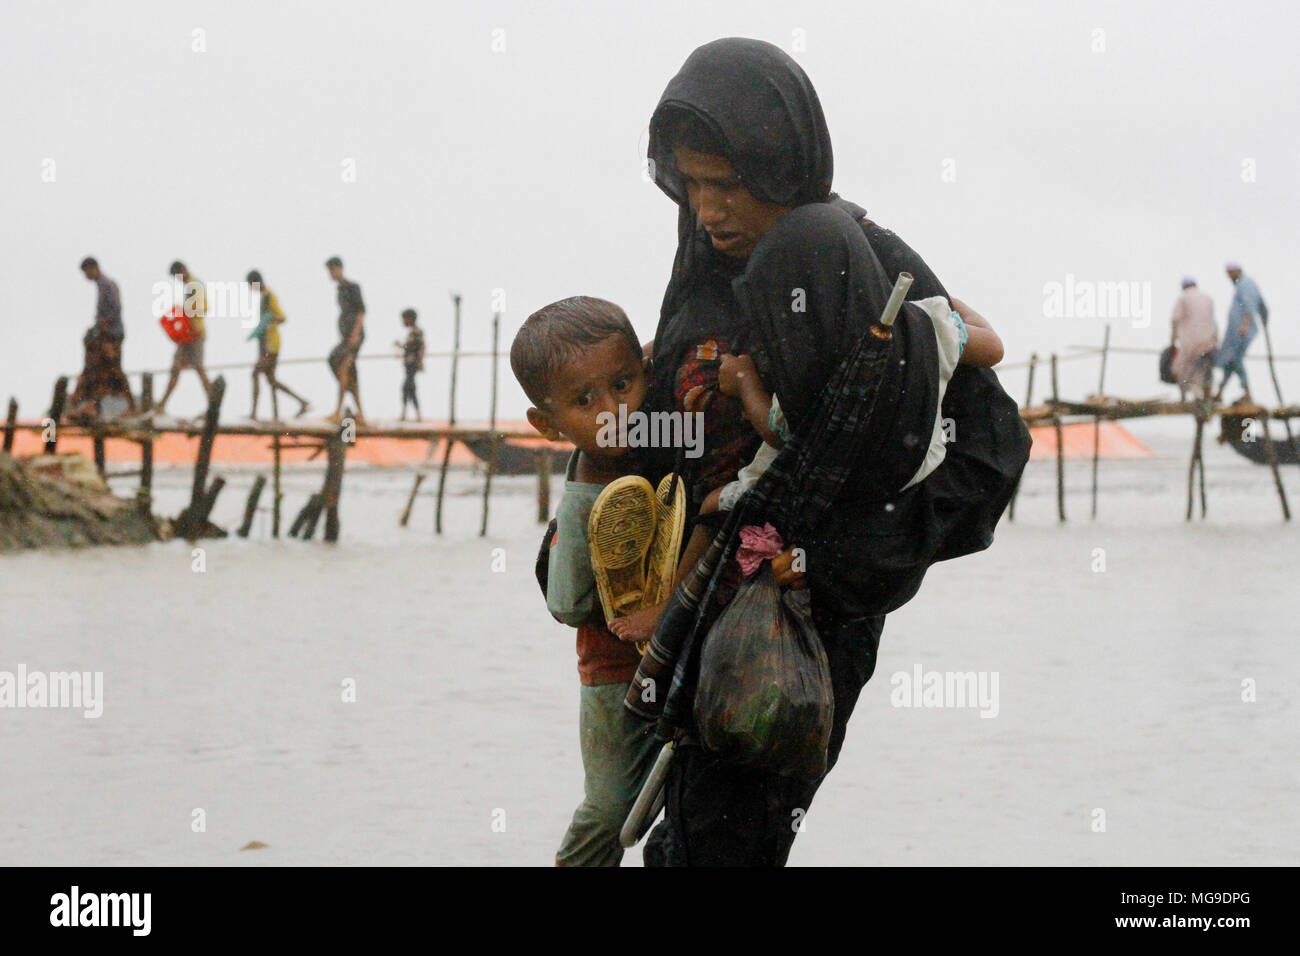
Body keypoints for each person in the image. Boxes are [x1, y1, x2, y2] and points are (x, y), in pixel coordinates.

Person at [633, 38, 1031, 866]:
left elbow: (991, 447)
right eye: (692, 184)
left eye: (729, 184)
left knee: (725, 842)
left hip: (799, 635)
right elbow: (664, 432)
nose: (709, 209)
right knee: (674, 837)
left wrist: (837, 557)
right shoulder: (700, 268)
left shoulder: (866, 261)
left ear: (784, 162)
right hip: (686, 615)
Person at [510, 296, 664, 866]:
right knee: (609, 810)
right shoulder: (584, 496)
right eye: (583, 401)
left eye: (622, 385)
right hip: (613, 673)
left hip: (676, 656)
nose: (611, 411)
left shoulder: (657, 432)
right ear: (547, 426)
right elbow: (568, 605)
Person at [67, 257, 136, 420]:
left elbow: (115, 310)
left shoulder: (107, 285)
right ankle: (92, 407)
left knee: (114, 369)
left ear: (93, 268)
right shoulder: (102, 285)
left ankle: (131, 406)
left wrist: (102, 328)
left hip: (111, 336)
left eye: (86, 272)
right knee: (96, 371)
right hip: (106, 335)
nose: (86, 276)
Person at [246, 270, 310, 420]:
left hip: (271, 345)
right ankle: (302, 402)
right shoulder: (264, 297)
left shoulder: (269, 296)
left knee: (255, 373)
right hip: (266, 344)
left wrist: (270, 318)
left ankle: (253, 413)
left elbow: (283, 317)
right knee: (272, 380)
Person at [154, 260, 213, 417]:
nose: (178, 279)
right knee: (176, 369)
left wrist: (192, 320)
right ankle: (161, 405)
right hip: (187, 336)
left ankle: (212, 404)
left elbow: (202, 308)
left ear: (183, 270)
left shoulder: (194, 285)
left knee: (199, 369)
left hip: (195, 335)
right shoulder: (190, 285)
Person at [1214, 262, 1265, 405]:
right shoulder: (1242, 285)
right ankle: (1219, 392)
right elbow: (1262, 306)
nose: (1229, 277)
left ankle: (1247, 394)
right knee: (1230, 361)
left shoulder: (1245, 284)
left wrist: (1245, 325)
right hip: (1236, 331)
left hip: (1241, 332)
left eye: (1230, 273)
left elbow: (1249, 306)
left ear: (1236, 271)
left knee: (1235, 359)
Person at [325, 256, 366, 424]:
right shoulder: (339, 290)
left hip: (353, 336)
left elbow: (361, 311)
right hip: (345, 336)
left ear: (339, 268)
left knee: (344, 369)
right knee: (340, 366)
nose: (331, 275)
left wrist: (355, 334)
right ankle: (360, 414)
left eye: (332, 270)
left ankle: (338, 411)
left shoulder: (352, 287)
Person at [1167, 277, 1218, 401]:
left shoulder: (1183, 298)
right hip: (1209, 341)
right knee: (1204, 369)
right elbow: (1212, 320)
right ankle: (1204, 395)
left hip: (1191, 341)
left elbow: (1175, 319)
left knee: (1180, 368)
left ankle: (1185, 397)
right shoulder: (1207, 298)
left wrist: (1173, 340)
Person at [394, 308, 425, 421]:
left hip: (412, 364)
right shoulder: (414, 332)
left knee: (408, 388)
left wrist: (400, 346)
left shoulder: (417, 332)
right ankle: (410, 414)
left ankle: (411, 414)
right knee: (409, 389)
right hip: (409, 364)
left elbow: (416, 347)